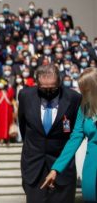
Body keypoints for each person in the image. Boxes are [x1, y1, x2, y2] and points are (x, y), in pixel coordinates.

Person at [18, 64, 82, 203]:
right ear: (37, 83)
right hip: (34, 166)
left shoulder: (73, 98)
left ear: (59, 83)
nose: (48, 92)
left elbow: (74, 132)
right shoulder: (25, 96)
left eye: (52, 88)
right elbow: (24, 127)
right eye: (43, 88)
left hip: (62, 167)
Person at [41, 67, 97, 202]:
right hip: (92, 163)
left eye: (86, 89)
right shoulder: (84, 107)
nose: (83, 93)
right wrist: (56, 169)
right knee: (90, 197)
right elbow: (75, 138)